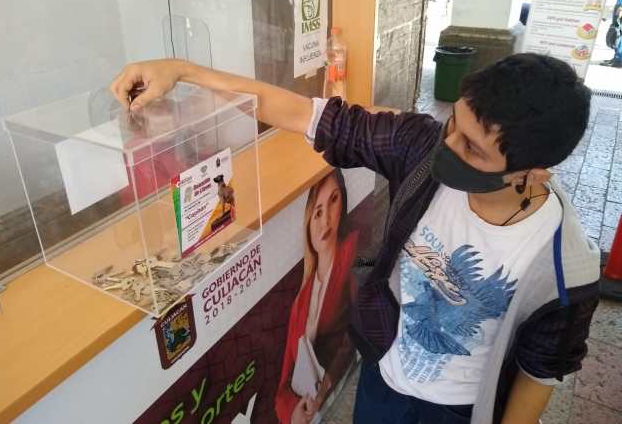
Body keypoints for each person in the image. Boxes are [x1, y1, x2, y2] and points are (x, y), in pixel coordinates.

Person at [110, 52, 599, 424]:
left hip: (458, 409)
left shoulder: (562, 266)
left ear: (533, 173)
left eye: (472, 149)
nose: (447, 146)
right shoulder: (420, 146)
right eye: (454, 122)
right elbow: (305, 114)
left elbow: (541, 371)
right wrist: (184, 70)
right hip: (382, 375)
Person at [275, 170, 359, 424]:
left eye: (333, 200)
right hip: (309, 408)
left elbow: (358, 329)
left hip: (341, 393)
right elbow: (283, 385)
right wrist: (293, 413)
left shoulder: (353, 254)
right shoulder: (300, 301)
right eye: (317, 212)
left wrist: (327, 382)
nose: (325, 221)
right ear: (308, 225)